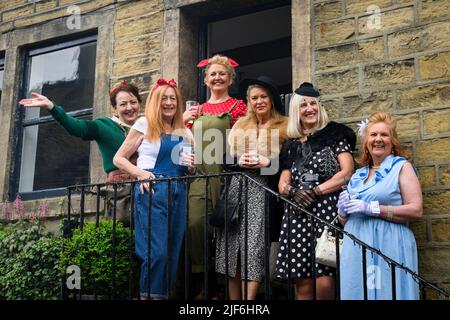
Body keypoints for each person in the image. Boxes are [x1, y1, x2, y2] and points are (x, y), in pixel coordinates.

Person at [113, 78, 195, 299]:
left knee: (172, 252)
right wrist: (140, 174)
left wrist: (191, 168)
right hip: (153, 191)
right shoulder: (144, 124)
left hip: (179, 191)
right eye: (163, 98)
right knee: (155, 252)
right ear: (155, 102)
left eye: (173, 98)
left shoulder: (185, 132)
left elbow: (188, 170)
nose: (169, 103)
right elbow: (119, 158)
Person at [274, 82, 356, 300]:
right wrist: (293, 192)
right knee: (302, 283)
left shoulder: (335, 134)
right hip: (298, 214)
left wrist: (316, 190)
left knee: (325, 280)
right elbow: (282, 183)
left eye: (313, 104)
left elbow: (347, 172)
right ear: (296, 112)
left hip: (327, 213)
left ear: (319, 107)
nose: (309, 108)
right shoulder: (291, 145)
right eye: (303, 105)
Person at [19, 81, 142, 222]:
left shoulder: (147, 128)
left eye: (133, 102)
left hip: (147, 186)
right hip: (122, 191)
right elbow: (77, 128)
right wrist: (52, 107)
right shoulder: (104, 125)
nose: (129, 107)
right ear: (115, 108)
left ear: (139, 103)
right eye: (123, 104)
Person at [215, 76, 288, 299]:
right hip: (237, 189)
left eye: (263, 97)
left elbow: (290, 163)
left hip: (263, 189)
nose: (259, 101)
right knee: (230, 249)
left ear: (272, 99)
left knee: (253, 249)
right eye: (254, 98)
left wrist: (267, 164)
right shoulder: (240, 124)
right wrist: (239, 162)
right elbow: (224, 159)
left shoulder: (285, 125)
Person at [337, 112, 422, 300]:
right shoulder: (358, 175)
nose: (378, 139)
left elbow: (416, 210)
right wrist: (342, 214)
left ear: (393, 141)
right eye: (373, 135)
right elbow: (347, 219)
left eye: (384, 135)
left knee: (388, 293)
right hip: (356, 245)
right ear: (366, 142)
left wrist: (374, 209)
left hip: (389, 242)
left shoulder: (402, 167)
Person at [184, 54, 247, 299]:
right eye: (213, 74)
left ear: (230, 78)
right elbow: (183, 142)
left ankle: (223, 286)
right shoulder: (195, 110)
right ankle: (204, 281)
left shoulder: (239, 106)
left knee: (226, 231)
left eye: (222, 73)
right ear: (206, 81)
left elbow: (246, 139)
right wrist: (185, 158)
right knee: (196, 225)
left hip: (227, 177)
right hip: (199, 177)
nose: (217, 77)